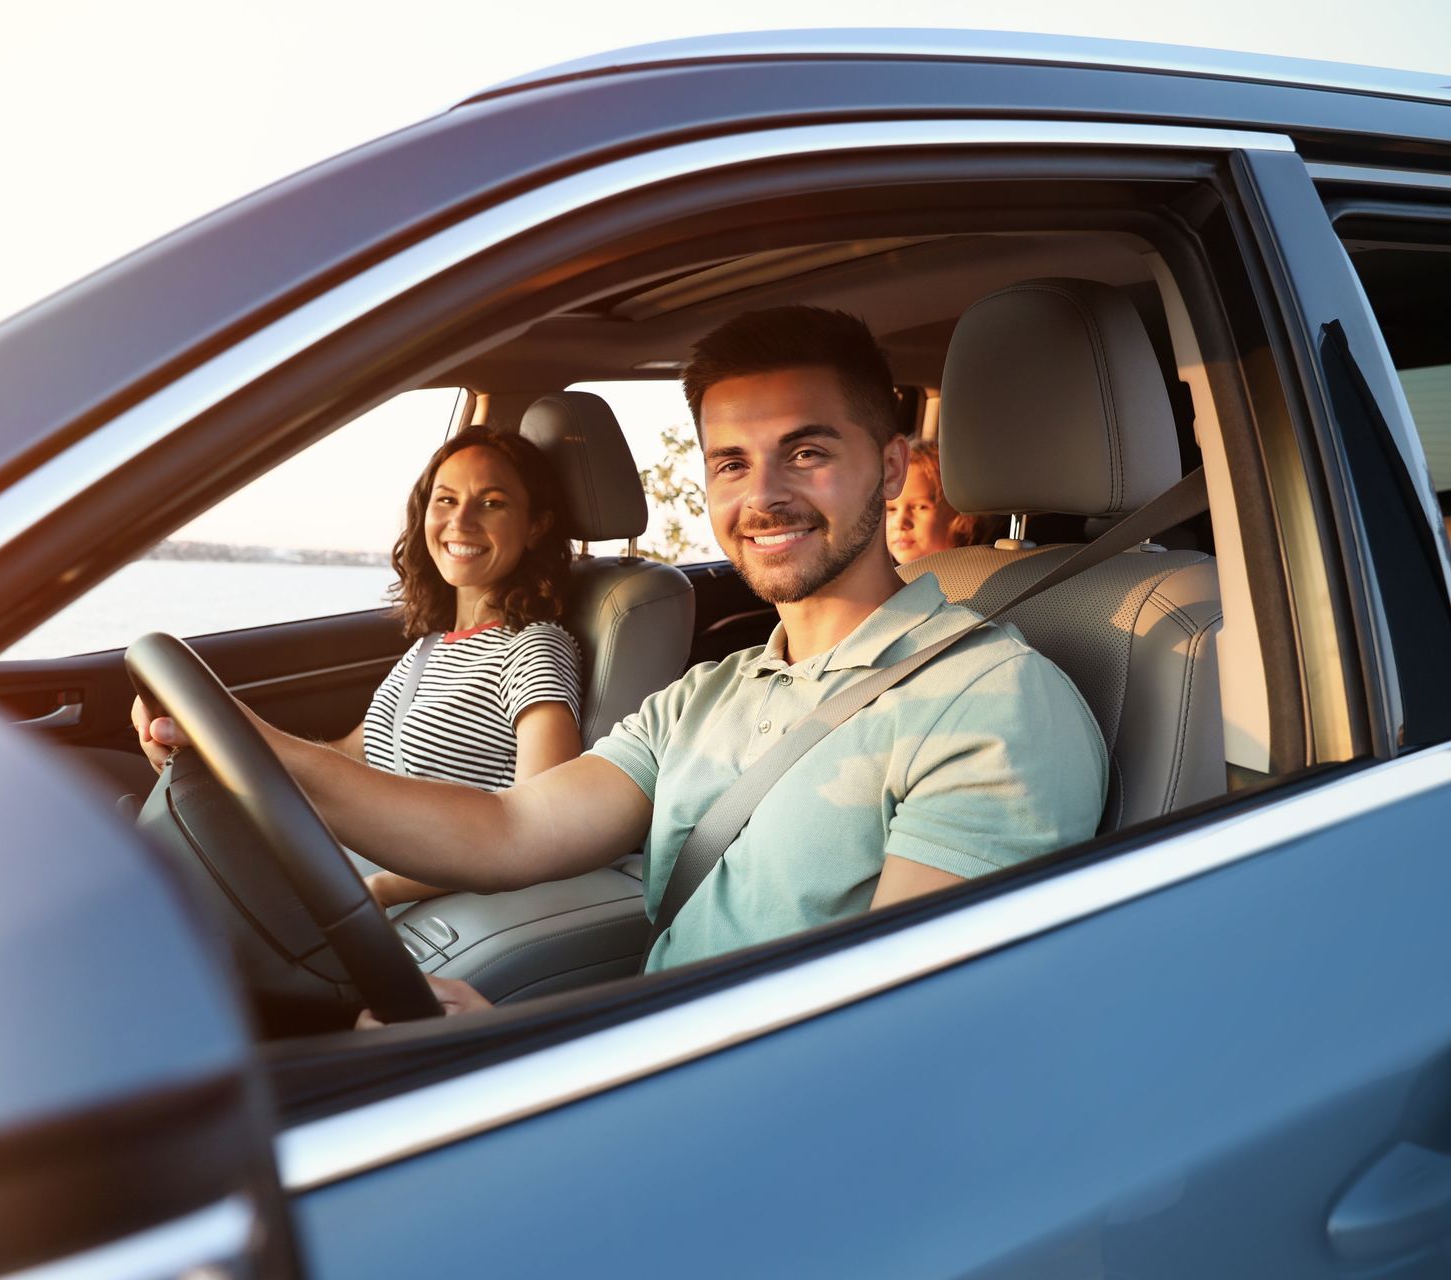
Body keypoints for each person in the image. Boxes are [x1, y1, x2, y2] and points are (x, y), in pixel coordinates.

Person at [138, 306, 1107, 1022]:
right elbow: (508, 828)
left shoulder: (993, 705)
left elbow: (890, 1042)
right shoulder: (710, 692)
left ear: (892, 468)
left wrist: (535, 1076)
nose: (761, 495)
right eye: (729, 462)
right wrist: (254, 747)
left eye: (805, 452)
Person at [136, 424, 585, 909]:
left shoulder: (533, 648)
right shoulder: (431, 648)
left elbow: (545, 823)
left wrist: (381, 889)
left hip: (409, 894)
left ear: (536, 525)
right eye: (446, 500)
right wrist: (216, 748)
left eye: (492, 502)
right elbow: (354, 758)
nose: (462, 521)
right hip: (351, 865)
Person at [884, 438, 1000, 564]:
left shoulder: (974, 578)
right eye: (891, 509)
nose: (900, 523)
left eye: (919, 507)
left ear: (962, 517)